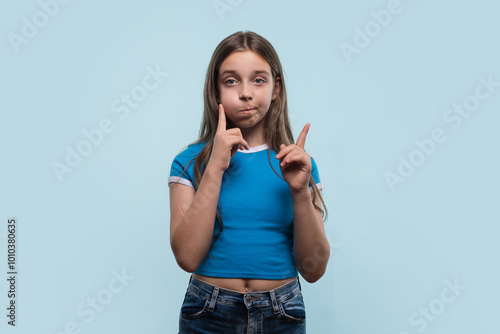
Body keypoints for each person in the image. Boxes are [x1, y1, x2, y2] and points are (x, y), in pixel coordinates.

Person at [168, 30, 330, 334]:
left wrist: (299, 193)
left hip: (282, 311)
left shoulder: (298, 165)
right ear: (215, 91)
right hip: (208, 310)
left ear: (275, 88)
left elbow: (314, 269)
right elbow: (187, 257)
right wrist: (214, 167)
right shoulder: (190, 162)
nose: (246, 92)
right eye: (231, 81)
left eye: (258, 80)